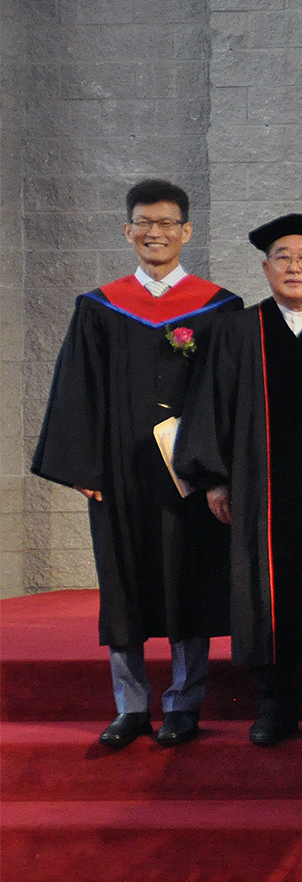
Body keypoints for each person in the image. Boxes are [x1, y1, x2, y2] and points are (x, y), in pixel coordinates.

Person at [32, 179, 241, 749]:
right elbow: (77, 389)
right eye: (144, 222)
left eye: (166, 222)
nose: (155, 232)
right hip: (119, 474)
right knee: (122, 583)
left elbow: (226, 394)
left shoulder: (218, 307)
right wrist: (85, 469)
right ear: (128, 231)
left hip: (187, 472)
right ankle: (131, 707)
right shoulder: (99, 306)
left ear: (186, 231)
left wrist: (216, 471)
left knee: (188, 580)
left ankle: (184, 704)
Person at [174, 213, 302, 746]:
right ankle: (275, 705)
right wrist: (215, 480)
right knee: (261, 594)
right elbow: (210, 406)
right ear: (265, 269)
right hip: (259, 492)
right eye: (282, 257)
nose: (294, 267)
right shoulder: (236, 331)